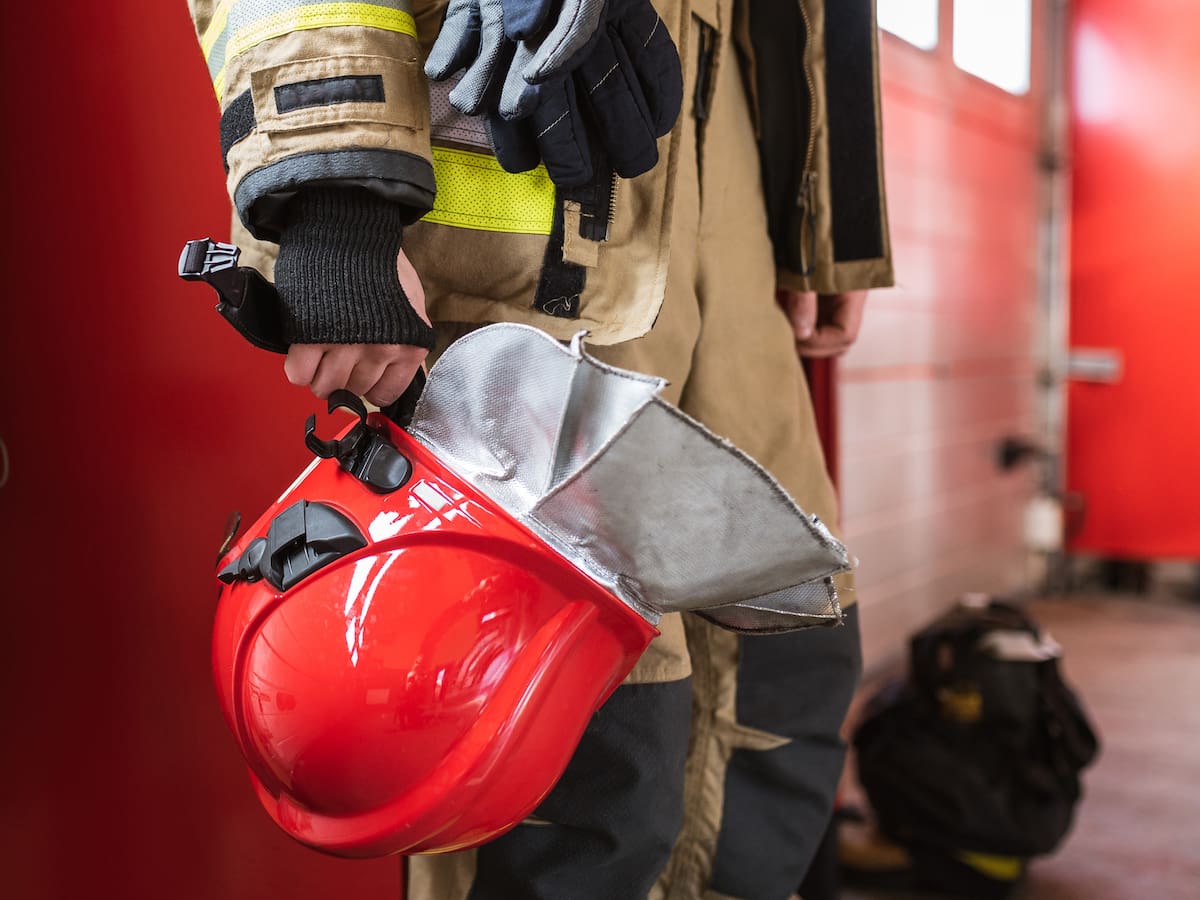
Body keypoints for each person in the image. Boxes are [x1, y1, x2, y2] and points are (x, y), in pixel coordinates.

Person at [186, 0, 892, 897]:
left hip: (723, 151)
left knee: (781, 684)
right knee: (574, 769)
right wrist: (331, 191)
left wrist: (830, 215)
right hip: (525, 177)